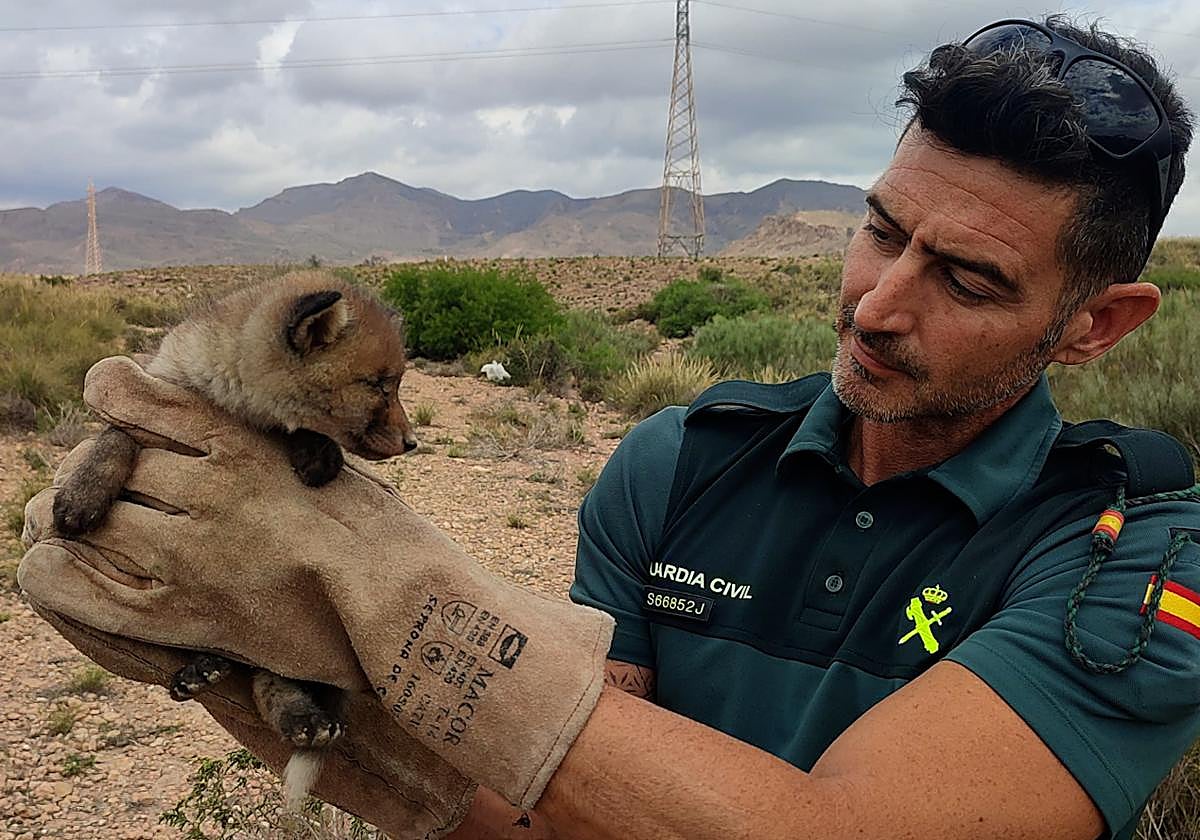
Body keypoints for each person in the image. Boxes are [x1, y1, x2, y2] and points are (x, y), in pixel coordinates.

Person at [15, 14, 1199, 840]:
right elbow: (564, 814)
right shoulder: (679, 462)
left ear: (1097, 325)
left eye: (970, 280)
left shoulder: (1134, 554)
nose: (878, 306)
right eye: (882, 230)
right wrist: (256, 666)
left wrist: (396, 592)